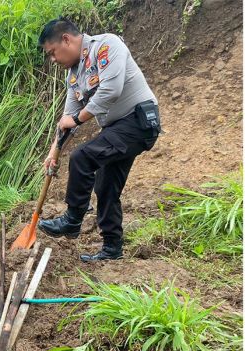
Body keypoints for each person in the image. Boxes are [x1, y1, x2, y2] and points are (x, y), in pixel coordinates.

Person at [36, 17, 161, 262]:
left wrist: (79, 119)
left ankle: (73, 219)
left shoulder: (106, 46)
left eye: (52, 53)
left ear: (66, 39)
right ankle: (112, 249)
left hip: (138, 121)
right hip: (116, 128)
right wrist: (53, 151)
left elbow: (110, 91)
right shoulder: (73, 76)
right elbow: (66, 119)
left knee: (82, 157)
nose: (52, 60)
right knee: (105, 186)